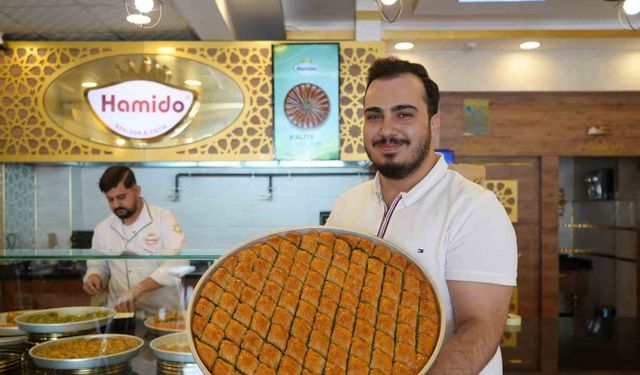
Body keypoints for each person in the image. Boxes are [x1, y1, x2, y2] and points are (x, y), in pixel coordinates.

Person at [326, 57, 517, 375]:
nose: (387, 129)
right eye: (375, 116)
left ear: (433, 124)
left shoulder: (474, 209)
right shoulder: (346, 205)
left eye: (403, 114)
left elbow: (480, 328)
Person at [82, 166, 188, 315]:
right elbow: (98, 266)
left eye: (121, 197)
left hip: (162, 315)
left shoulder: (163, 218)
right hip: (119, 315)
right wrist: (94, 277)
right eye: (110, 199)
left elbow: (178, 263)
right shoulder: (103, 228)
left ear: (137, 190)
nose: (116, 205)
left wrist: (138, 289)